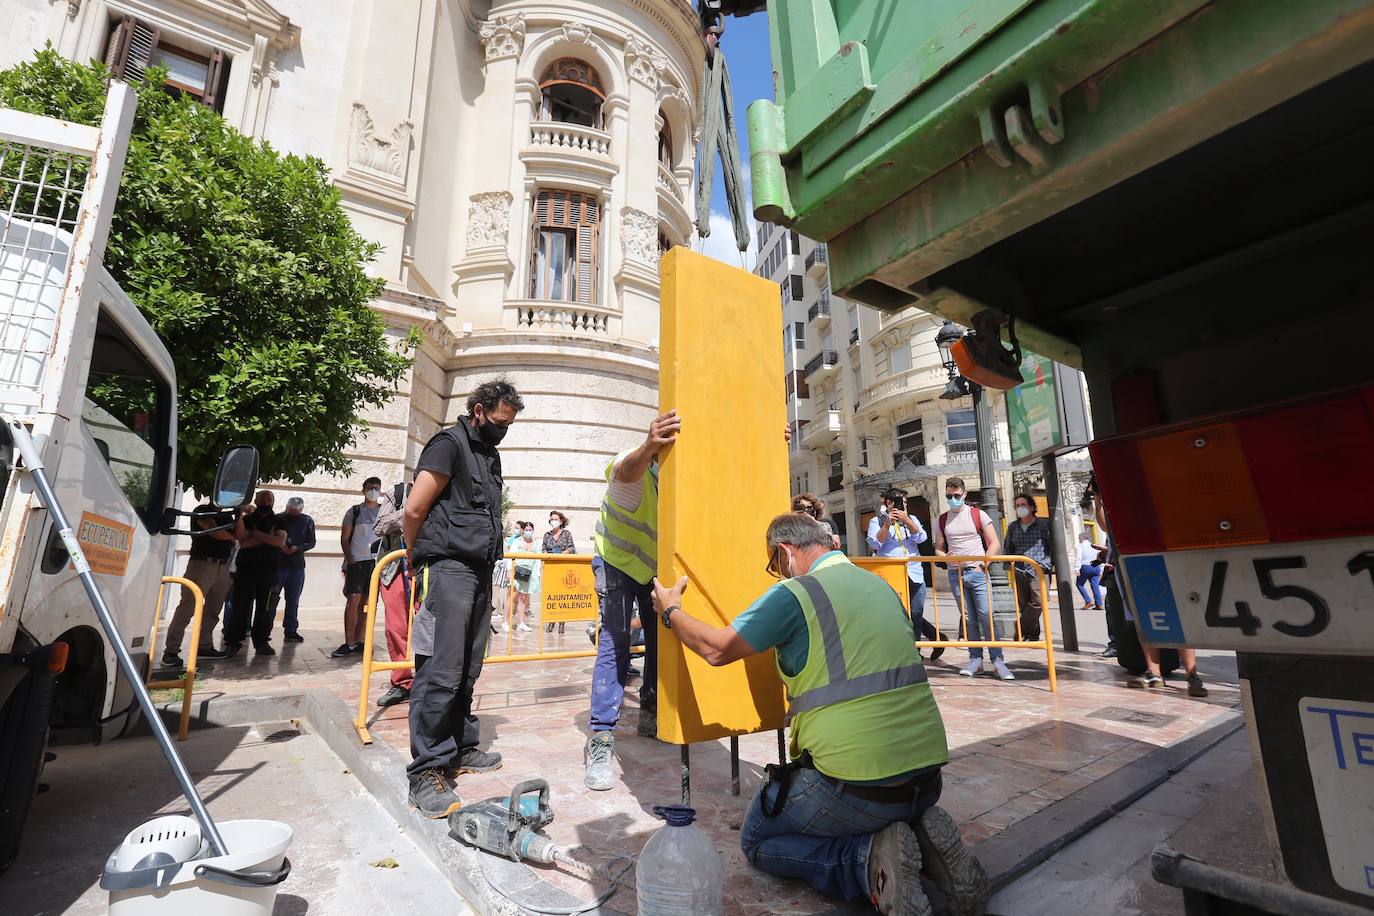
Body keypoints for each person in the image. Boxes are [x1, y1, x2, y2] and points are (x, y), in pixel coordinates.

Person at [651, 514, 988, 916]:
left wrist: (670, 611)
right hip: (928, 779)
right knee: (882, 804)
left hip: (859, 790)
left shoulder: (796, 594)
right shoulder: (881, 586)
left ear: (785, 552)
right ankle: (923, 838)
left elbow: (718, 649)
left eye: (775, 566)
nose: (778, 575)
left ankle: (866, 864)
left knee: (758, 840)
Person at [402, 378, 523, 818]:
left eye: (508, 424)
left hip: (479, 571)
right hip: (448, 568)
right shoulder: (447, 444)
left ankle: (459, 747)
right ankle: (426, 770)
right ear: (477, 410)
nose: (502, 429)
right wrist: (418, 558)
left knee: (469, 667)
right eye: (497, 421)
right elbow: (414, 510)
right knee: (440, 669)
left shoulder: (488, 455)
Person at [584, 410, 678, 790]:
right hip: (616, 562)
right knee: (615, 643)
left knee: (661, 641)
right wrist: (650, 446)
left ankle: (651, 710)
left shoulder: (678, 483)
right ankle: (601, 737)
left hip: (652, 568)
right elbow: (626, 471)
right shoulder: (635, 468)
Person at [933, 478, 1011, 681]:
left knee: (987, 615)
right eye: (949, 496)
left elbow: (995, 543)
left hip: (977, 572)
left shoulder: (978, 514)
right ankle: (975, 659)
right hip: (955, 574)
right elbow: (938, 549)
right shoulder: (942, 520)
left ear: (964, 494)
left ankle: (997, 660)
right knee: (969, 619)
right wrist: (945, 557)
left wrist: (983, 565)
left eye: (956, 496)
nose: (953, 500)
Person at [866, 488, 944, 661]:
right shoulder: (876, 521)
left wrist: (907, 521)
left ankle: (913, 652)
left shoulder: (912, 519)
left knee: (916, 614)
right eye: (900, 502)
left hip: (914, 572)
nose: (904, 505)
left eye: (906, 502)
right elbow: (875, 544)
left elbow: (921, 538)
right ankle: (894, 651)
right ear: (889, 503)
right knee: (892, 614)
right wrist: (887, 524)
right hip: (890, 576)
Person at [161, 505, 235, 667]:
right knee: (188, 607)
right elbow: (216, 533)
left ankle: (204, 646)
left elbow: (239, 534)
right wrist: (231, 536)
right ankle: (171, 651)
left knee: (213, 609)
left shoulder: (229, 515)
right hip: (202, 564)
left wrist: (241, 514)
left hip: (222, 566)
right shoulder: (202, 509)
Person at [224, 489, 287, 657]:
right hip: (246, 571)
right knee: (240, 607)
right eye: (263, 499)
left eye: (269, 499)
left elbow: (280, 541)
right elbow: (243, 543)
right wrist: (268, 538)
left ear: (273, 502)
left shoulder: (279, 520)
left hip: (269, 572)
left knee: (265, 610)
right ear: (257, 501)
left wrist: (257, 534)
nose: (266, 502)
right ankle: (233, 641)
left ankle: (261, 642)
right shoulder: (248, 519)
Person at [332, 477, 382, 658]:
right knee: (353, 600)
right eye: (371, 487)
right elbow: (345, 538)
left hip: (376, 563)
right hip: (357, 562)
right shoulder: (353, 512)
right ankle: (349, 642)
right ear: (363, 489)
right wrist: (350, 560)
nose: (374, 490)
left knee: (369, 603)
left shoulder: (384, 511)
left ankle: (362, 640)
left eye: (377, 488)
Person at [375, 484, 413, 709]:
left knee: (433, 628)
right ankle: (403, 682)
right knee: (396, 628)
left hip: (430, 568)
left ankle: (432, 681)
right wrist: (410, 510)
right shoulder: (397, 493)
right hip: (395, 570)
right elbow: (379, 527)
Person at [1002, 494, 1053, 642]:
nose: (1020, 508)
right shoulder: (1013, 527)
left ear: (1031, 507)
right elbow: (1008, 547)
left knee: (1038, 601)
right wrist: (1008, 565)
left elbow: (1051, 548)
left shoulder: (1044, 525)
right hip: (1019, 569)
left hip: (1038, 569)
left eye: (1023, 505)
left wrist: (1046, 564)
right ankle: (1032, 634)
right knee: (1024, 604)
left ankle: (1020, 628)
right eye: (1017, 506)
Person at [269, 497, 315, 643]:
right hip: (278, 564)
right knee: (272, 598)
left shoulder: (307, 521)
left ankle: (291, 630)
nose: (292, 513)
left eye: (295, 511)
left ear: (301, 510)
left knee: (293, 599)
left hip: (297, 566)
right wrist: (278, 545)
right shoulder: (277, 519)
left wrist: (298, 548)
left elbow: (311, 541)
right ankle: (265, 629)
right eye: (290, 510)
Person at [543, 511, 575, 633]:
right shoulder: (547, 535)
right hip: (551, 568)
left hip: (563, 567)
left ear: (561, 521)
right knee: (551, 596)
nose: (553, 521)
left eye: (555, 519)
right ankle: (551, 622)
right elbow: (543, 548)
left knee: (562, 597)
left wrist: (562, 553)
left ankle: (562, 623)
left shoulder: (566, 534)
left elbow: (572, 548)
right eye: (551, 519)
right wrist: (547, 554)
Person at [510, 522, 538, 632]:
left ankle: (521, 622)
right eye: (526, 530)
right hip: (517, 571)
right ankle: (506, 621)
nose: (528, 532)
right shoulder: (518, 542)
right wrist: (509, 571)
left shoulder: (536, 543)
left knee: (523, 598)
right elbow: (511, 556)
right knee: (511, 597)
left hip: (528, 572)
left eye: (530, 530)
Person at [1075, 531, 1105, 610]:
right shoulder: (1094, 546)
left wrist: (1077, 569)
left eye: (1079, 538)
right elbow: (1100, 558)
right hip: (1095, 567)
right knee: (1095, 586)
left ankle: (1088, 601)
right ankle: (1099, 604)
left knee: (1079, 584)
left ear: (1081, 538)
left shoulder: (1080, 546)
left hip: (1085, 567)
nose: (1079, 540)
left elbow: (1079, 558)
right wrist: (1101, 569)